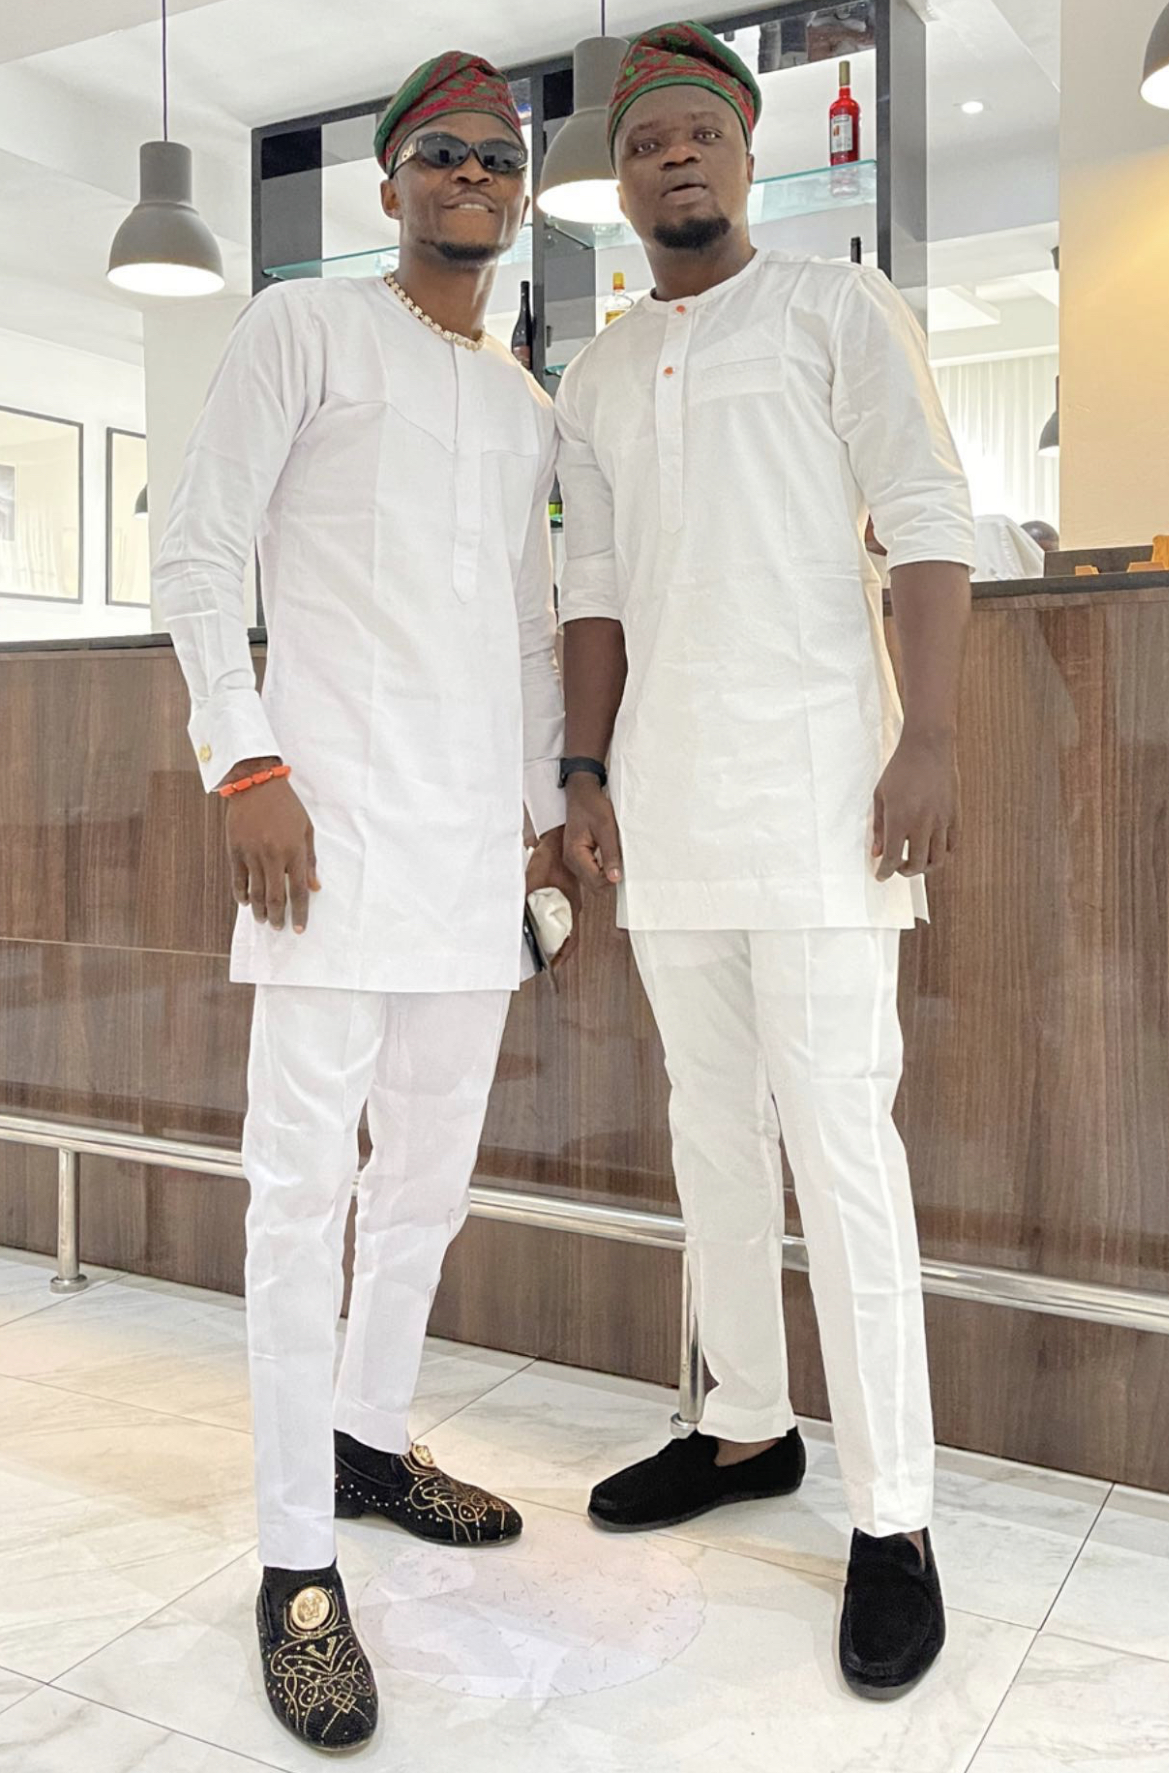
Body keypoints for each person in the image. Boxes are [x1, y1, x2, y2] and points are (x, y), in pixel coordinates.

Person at [156, 51, 578, 1754]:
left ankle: (367, 1435)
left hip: (471, 856)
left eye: (498, 159)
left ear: (519, 195)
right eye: (442, 154)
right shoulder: (301, 330)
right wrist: (243, 763)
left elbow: (533, 635)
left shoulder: (525, 405)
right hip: (319, 838)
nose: (472, 176)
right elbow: (199, 550)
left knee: (425, 1188)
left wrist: (543, 820)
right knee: (295, 1199)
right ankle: (293, 1560)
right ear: (389, 182)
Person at [555, 22, 975, 1701]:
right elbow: (593, 595)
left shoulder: (834, 308)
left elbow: (927, 522)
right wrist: (584, 767)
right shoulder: (594, 375)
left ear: (745, 154)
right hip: (668, 804)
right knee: (707, 1133)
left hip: (819, 796)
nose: (671, 156)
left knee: (839, 1146)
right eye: (642, 138)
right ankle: (742, 1425)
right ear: (619, 177)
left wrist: (926, 738)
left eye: (697, 133)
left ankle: (894, 1514)